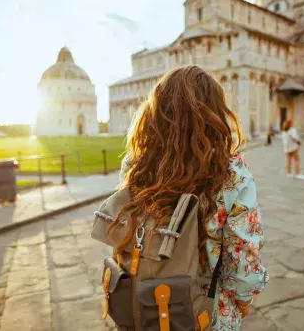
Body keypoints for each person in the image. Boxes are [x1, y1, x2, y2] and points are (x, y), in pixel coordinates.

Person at [113, 66, 267, 329]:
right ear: (214, 114)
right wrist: (243, 300)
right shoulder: (232, 175)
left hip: (145, 306)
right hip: (205, 312)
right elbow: (242, 263)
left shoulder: (136, 164)